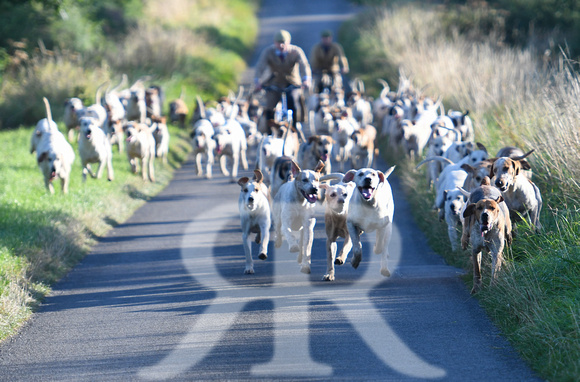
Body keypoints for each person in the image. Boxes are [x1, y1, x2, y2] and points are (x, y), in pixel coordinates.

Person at [254, 29, 311, 133]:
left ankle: (294, 128)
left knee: (293, 101)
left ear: (288, 42)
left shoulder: (296, 51)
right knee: (270, 105)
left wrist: (306, 79)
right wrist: (257, 81)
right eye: (278, 43)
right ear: (274, 42)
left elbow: (304, 65)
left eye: (283, 43)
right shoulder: (268, 52)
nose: (281, 45)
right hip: (275, 83)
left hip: (292, 83)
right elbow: (260, 66)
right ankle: (269, 130)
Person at [309, 29, 349, 94]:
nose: (326, 40)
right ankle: (316, 100)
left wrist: (344, 67)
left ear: (331, 38)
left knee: (337, 85)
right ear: (321, 39)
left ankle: (339, 100)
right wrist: (313, 68)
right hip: (320, 71)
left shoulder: (336, 47)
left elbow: (342, 57)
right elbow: (313, 59)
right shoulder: (316, 48)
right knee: (314, 86)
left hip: (333, 70)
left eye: (328, 38)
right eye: (324, 38)